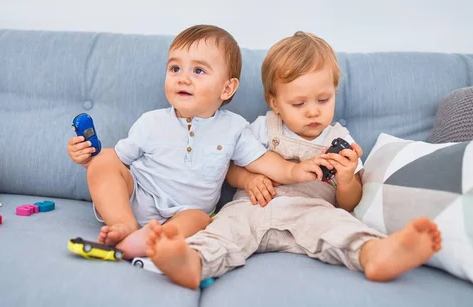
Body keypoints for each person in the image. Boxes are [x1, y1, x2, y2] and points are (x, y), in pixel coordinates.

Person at [146, 31, 442, 289]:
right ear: (275, 103)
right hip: (253, 208)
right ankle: (191, 262)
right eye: (299, 103)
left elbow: (350, 204)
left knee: (339, 226)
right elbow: (230, 168)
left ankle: (375, 254)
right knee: (223, 231)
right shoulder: (262, 127)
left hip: (311, 210)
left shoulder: (340, 139)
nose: (312, 111)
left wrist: (347, 178)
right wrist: (249, 179)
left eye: (323, 100)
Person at [67, 25, 331, 259]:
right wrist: (89, 158)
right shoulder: (151, 122)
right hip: (138, 195)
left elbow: (264, 161)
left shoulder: (233, 128)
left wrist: (295, 170)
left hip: (186, 212)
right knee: (103, 162)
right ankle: (123, 225)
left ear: (226, 89)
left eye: (198, 70)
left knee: (201, 219)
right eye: (175, 68)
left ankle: (154, 240)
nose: (183, 77)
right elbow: (117, 163)